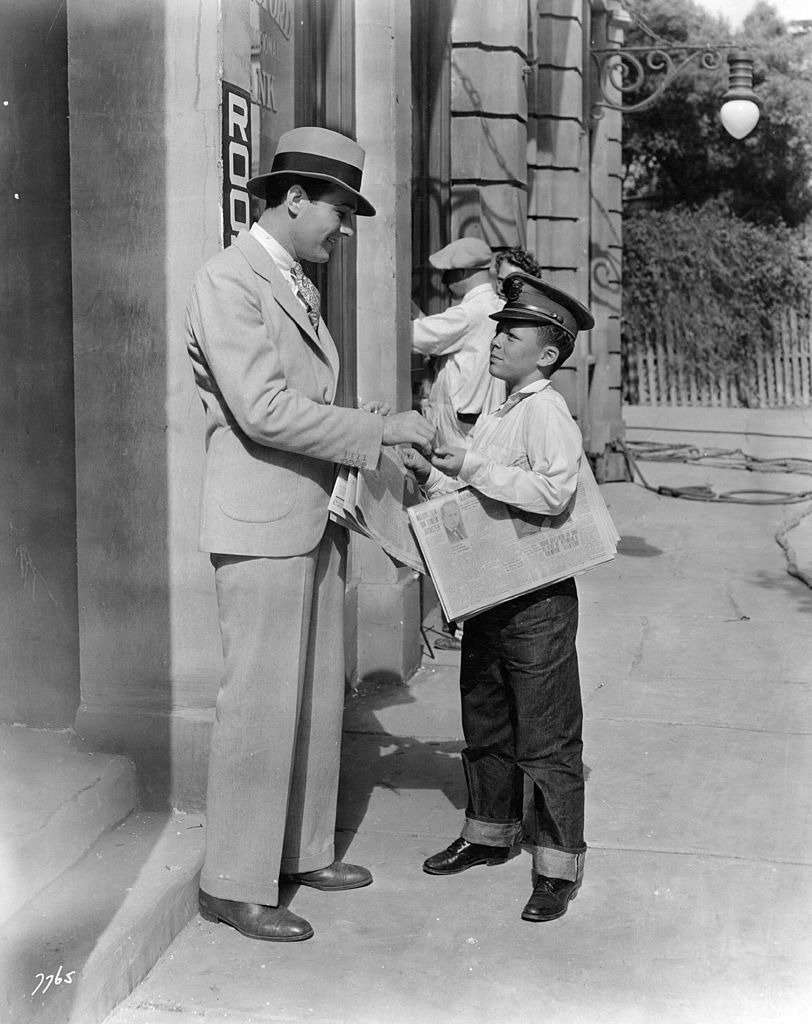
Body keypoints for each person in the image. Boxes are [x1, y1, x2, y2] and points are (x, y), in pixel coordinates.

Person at [185, 126, 434, 943]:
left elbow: (293, 403)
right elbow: (261, 409)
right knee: (258, 705)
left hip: (309, 516)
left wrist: (367, 435)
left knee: (313, 696)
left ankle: (298, 852)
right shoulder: (230, 279)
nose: (345, 227)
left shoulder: (288, 279)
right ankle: (233, 882)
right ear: (293, 200)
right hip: (260, 524)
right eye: (337, 209)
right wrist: (376, 430)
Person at [401, 271, 594, 924]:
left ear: (545, 355)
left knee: (546, 735)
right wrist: (431, 473)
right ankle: (489, 833)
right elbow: (479, 491)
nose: (496, 339)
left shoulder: (546, 411)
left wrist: (474, 468)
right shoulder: (504, 405)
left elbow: (552, 493)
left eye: (512, 333)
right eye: (499, 327)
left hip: (536, 598)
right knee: (486, 722)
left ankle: (556, 868)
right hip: (490, 587)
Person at [411, 237, 505, 449]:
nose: (444, 281)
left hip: (460, 426)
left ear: (463, 272)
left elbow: (411, 335)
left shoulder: (470, 313)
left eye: (448, 273)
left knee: (455, 479)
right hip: (476, 418)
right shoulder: (496, 305)